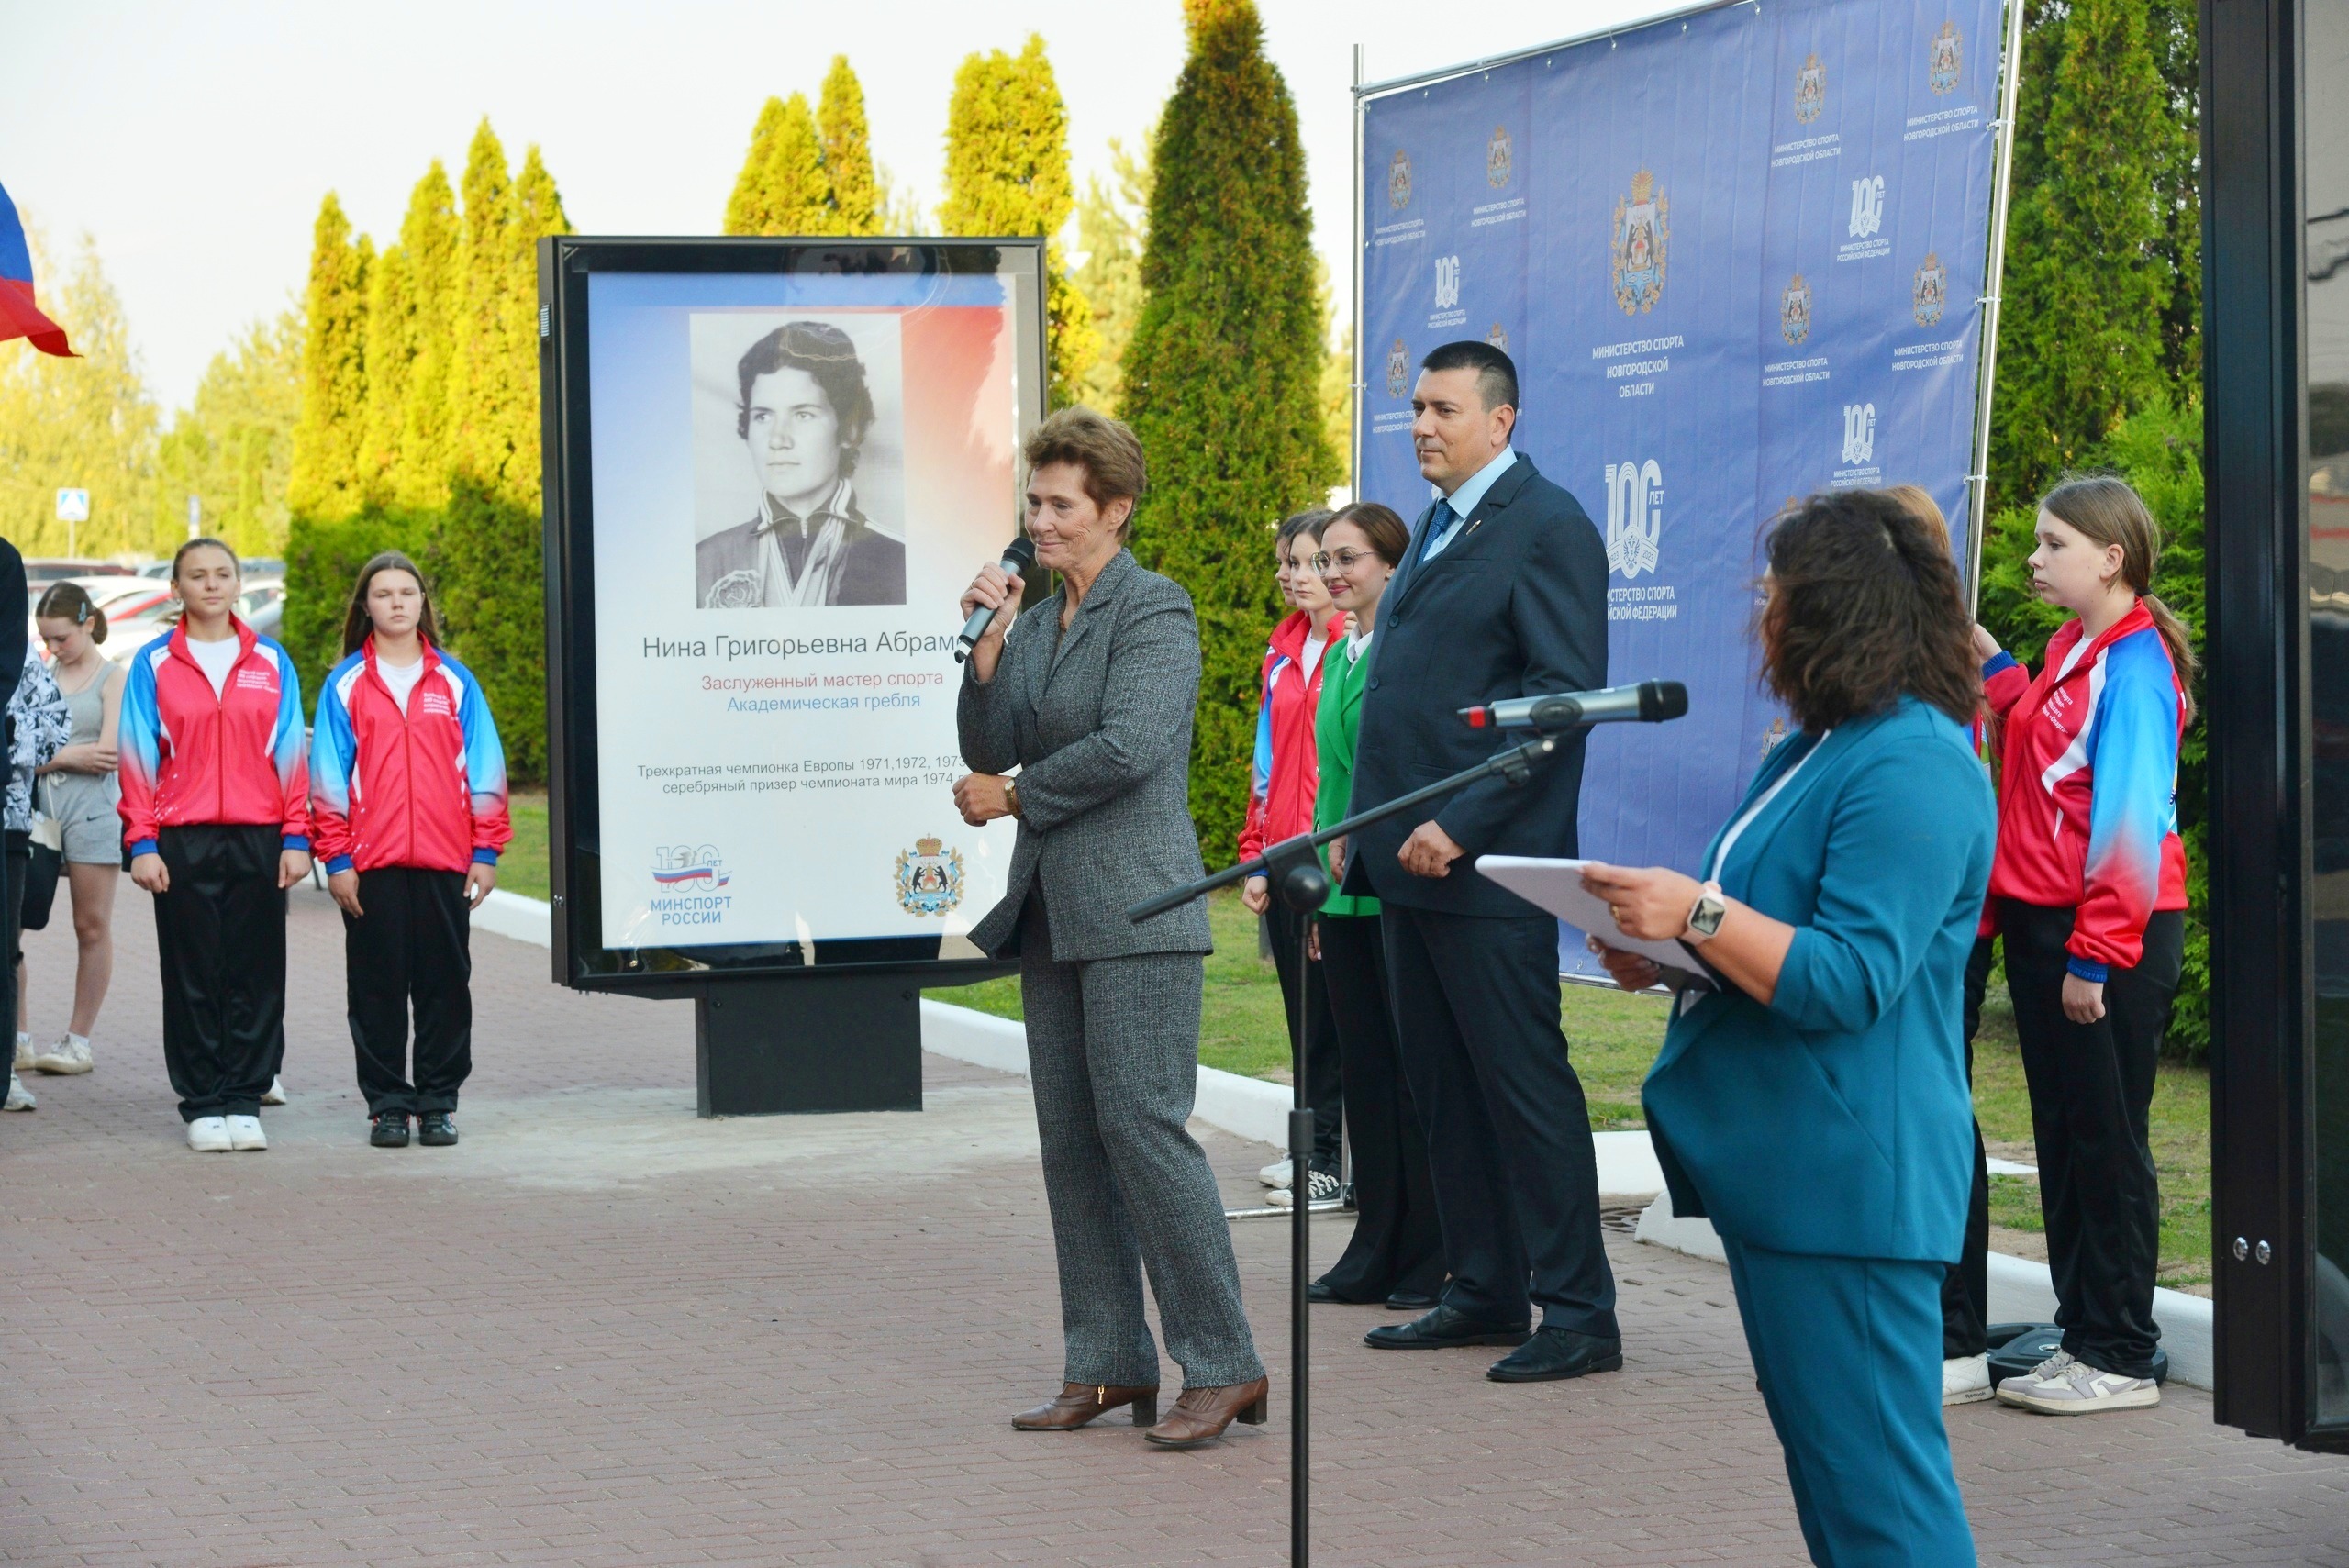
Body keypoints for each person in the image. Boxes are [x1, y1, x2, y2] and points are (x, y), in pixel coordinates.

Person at [1583, 487, 1993, 1568]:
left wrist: (1699, 912)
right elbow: (1778, 941)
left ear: (1834, 610)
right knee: (1838, 1487)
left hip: (1851, 1184)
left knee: (1883, 1503)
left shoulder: (1913, 762)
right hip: (1793, 1176)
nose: (1761, 613)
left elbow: (1854, 976)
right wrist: (1675, 956)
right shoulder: (1819, 746)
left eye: (1775, 592)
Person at [952, 406, 1267, 1448]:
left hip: (1139, 910)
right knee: (1072, 1146)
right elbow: (989, 738)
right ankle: (1106, 1360)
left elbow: (1132, 743)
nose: (1037, 522)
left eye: (1059, 504)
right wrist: (987, 651)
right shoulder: (1037, 620)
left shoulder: (1156, 609)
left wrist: (1015, 791)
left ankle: (1223, 1364)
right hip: (1055, 913)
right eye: (1031, 502)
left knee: (1143, 1133)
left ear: (1115, 509)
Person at [1343, 339, 1620, 1384]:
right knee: (1444, 1085)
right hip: (1405, 858)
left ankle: (1581, 1312)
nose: (1420, 424)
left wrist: (1461, 820)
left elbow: (1561, 704)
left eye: (1442, 409)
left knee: (1520, 1085)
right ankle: (1484, 1285)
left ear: (1500, 420)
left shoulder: (1545, 527)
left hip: (1486, 860)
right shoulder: (1436, 524)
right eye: (1414, 406)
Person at [1972, 474, 2194, 1416]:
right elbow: (2039, 758)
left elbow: (2128, 825)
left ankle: (2120, 1348)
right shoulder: (2071, 645)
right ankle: (2081, 1326)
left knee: (2106, 1142)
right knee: (2064, 1138)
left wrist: (2094, 955)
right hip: (2042, 924)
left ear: (2111, 556)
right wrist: (1994, 669)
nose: (2033, 556)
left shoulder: (2135, 665)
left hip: (2102, 936)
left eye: (2053, 542)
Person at [311, 552, 510, 1150]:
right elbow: (326, 779)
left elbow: (485, 769)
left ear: (423, 603)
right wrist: (338, 860)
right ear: (365, 606)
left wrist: (487, 849)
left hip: (447, 861)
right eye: (383, 593)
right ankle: (389, 1103)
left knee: (446, 984)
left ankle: (438, 1100)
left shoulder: (454, 681)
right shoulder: (345, 684)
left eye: (407, 592)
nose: (397, 602)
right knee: (376, 987)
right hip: (373, 865)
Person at [118, 539, 311, 1153]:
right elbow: (137, 757)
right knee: (192, 971)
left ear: (238, 583)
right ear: (175, 587)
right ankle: (203, 1100)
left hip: (259, 836)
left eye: (222, 573)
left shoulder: (272, 661)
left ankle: (243, 1097)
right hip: (182, 838)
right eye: (197, 575)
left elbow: (291, 757)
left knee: (257, 971)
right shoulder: (153, 664)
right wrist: (142, 841)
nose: (211, 584)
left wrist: (295, 836)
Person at [1303, 501, 1445, 1308]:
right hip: (1342, 896)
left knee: (1406, 1076)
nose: (1332, 573)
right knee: (1362, 1075)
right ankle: (1376, 1239)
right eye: (1326, 559)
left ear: (1393, 566)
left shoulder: (1402, 651)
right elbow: (1330, 779)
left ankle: (1427, 1248)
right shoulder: (1341, 652)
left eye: (1349, 558)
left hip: (1391, 886)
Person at [1883, 485, 1998, 1407]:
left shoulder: (1948, 653)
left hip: (1947, 925)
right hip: (1927, 918)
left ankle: (1955, 1322)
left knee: (1939, 1112)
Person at [1238, 507, 1345, 1203]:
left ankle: (1332, 1162)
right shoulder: (1281, 649)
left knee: (1336, 1016)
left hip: (1327, 858)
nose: (1290, 574)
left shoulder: (1352, 646)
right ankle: (1307, 1148)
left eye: (1304, 562)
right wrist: (1254, 856)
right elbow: (1264, 764)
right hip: (1281, 857)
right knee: (1301, 1012)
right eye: (1286, 562)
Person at [697, 319, 906, 608]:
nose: (777, 439)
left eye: (803, 414)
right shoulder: (706, 561)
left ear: (849, 429)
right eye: (763, 416)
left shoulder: (897, 558)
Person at [23, 583, 128, 1079]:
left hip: (92, 814)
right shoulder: (40, 676)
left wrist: (45, 758)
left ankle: (77, 1040)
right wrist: (66, 757)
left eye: (61, 637)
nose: (53, 648)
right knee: (15, 924)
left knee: (91, 926)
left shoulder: (114, 678)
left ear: (87, 624)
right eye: (46, 639)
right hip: (39, 816)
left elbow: (106, 756)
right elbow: (19, 755)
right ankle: (18, 1036)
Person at [3, 639, 68, 1106]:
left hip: (7, 826)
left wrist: (7, 732)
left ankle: (4, 1075)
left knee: (6, 952)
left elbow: (54, 728)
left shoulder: (20, 655)